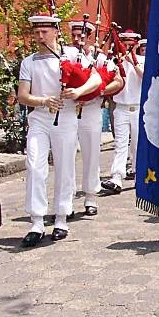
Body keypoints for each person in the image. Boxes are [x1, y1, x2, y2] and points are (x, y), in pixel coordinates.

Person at [17, 13, 102, 247]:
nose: (40, 36)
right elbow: (22, 95)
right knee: (35, 165)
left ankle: (62, 217)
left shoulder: (71, 55)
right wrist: (43, 101)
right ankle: (36, 221)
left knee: (65, 166)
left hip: (65, 117)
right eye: (36, 32)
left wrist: (79, 91)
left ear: (55, 31)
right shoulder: (29, 61)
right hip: (40, 118)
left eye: (44, 32)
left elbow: (95, 79)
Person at [68, 20, 120, 217]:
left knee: (91, 155)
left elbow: (118, 81)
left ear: (88, 37)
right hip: (68, 110)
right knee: (67, 156)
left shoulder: (99, 58)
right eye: (73, 35)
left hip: (90, 110)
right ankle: (68, 198)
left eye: (80, 36)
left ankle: (90, 196)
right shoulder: (66, 56)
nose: (76, 39)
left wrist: (98, 90)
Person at [102, 32, 145, 195]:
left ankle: (137, 174)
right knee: (120, 144)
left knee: (136, 145)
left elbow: (145, 77)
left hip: (138, 107)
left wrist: (133, 61)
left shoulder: (142, 60)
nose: (126, 48)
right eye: (124, 44)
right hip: (120, 108)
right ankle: (116, 177)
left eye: (130, 45)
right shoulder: (115, 62)